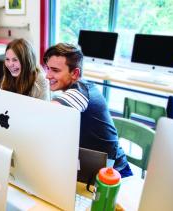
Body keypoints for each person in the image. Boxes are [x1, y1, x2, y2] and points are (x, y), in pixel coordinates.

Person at [43, 43, 132, 178]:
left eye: (55, 70)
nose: (47, 75)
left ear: (75, 73)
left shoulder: (81, 92)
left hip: (113, 173)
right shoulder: (81, 87)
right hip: (91, 165)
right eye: (48, 68)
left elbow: (47, 113)